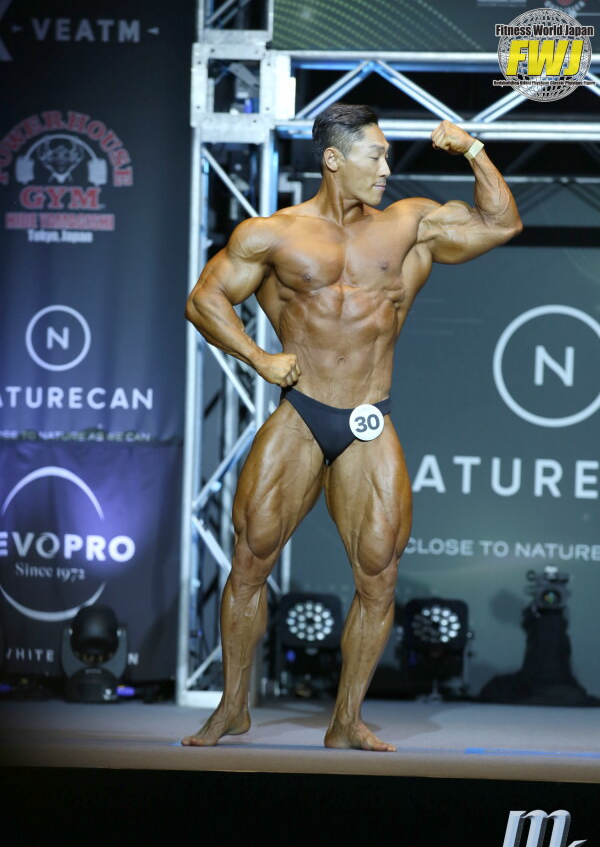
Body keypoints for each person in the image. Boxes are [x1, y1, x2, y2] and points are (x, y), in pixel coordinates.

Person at [182, 103, 522, 750]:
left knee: (379, 573)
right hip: (302, 412)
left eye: (388, 155)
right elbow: (204, 299)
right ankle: (232, 706)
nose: (387, 168)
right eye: (376, 155)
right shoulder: (272, 234)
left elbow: (501, 223)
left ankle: (346, 719)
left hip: (368, 415)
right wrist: (258, 357)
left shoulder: (409, 224)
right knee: (250, 560)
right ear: (334, 160)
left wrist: (474, 150)